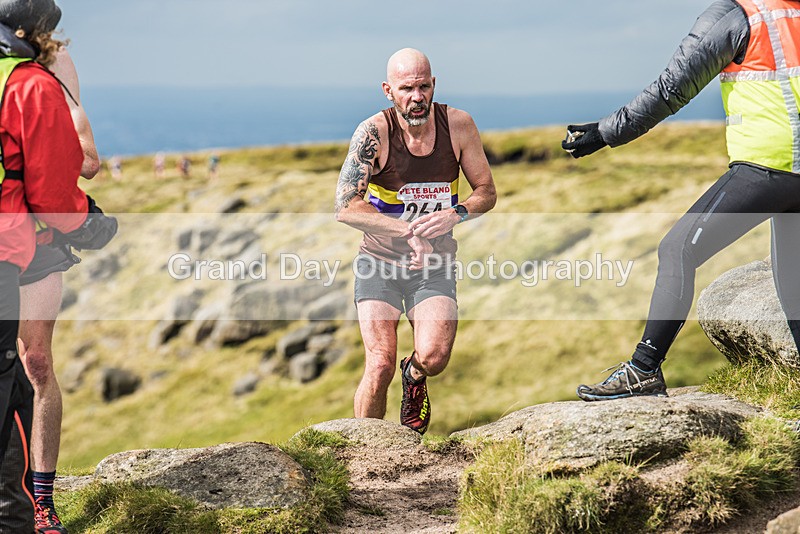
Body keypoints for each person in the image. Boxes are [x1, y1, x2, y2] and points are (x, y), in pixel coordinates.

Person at [562, 0, 800, 401]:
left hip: (767, 169)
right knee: (794, 293)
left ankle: (643, 369)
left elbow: (672, 88)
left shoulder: (736, 15)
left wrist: (605, 132)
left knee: (677, 250)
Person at [335, 48, 496, 434]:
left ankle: (416, 375)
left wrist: (454, 214)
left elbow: (486, 191)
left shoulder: (458, 125)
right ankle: (362, 453)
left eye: (424, 86)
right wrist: (411, 230)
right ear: (389, 91)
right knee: (379, 361)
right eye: (407, 88)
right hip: (380, 262)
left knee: (435, 356)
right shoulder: (373, 133)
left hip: (435, 265)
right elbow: (346, 206)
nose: (417, 97)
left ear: (434, 84)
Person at [0, 1, 117, 531]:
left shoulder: (53, 68)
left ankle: (40, 502)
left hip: (40, 241)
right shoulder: (18, 73)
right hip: (12, 235)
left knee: (34, 364)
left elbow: (87, 158)